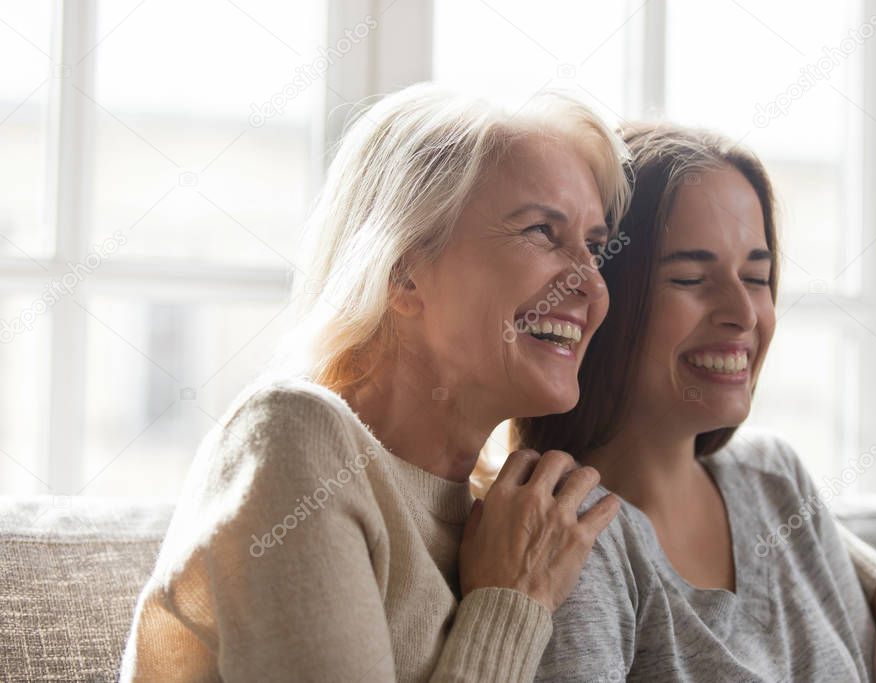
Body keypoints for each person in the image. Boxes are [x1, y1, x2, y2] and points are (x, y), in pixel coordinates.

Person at [118, 83, 629, 682]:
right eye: (542, 231)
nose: (592, 287)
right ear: (404, 272)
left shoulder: (513, 521)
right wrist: (512, 607)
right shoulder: (293, 436)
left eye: (594, 248)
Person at [519, 123, 876, 681]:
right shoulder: (573, 542)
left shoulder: (775, 479)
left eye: (757, 276)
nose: (743, 313)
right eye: (692, 278)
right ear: (604, 297)